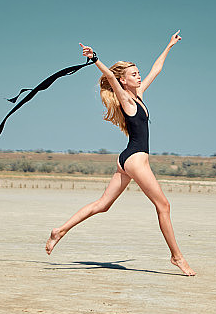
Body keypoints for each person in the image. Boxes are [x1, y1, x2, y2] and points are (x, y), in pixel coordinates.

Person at [45, 31, 196, 276]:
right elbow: (109, 77)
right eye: (134, 75)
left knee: (103, 205)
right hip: (136, 160)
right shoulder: (126, 98)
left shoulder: (139, 95)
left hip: (125, 159)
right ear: (124, 81)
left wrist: (169, 46)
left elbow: (156, 70)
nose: (139, 77)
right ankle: (176, 257)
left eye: (138, 73)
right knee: (164, 206)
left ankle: (58, 231)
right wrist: (95, 58)